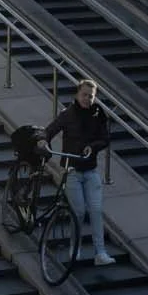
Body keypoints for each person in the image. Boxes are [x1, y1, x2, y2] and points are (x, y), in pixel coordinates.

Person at [45, 79, 115, 266]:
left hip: (91, 170)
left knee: (96, 210)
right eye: (84, 95)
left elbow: (105, 138)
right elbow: (50, 130)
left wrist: (93, 147)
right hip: (72, 171)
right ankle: (74, 249)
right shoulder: (68, 114)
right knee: (78, 212)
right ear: (77, 94)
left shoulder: (98, 114)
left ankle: (100, 253)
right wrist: (43, 141)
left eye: (91, 96)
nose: (87, 99)